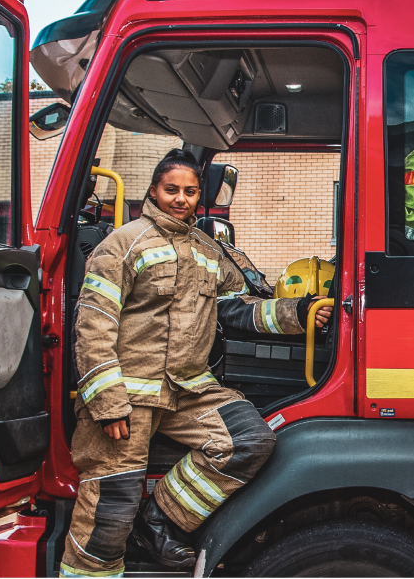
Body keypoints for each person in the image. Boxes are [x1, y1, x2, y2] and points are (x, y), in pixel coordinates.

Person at [61, 150, 277, 578]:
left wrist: (301, 315)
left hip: (189, 391)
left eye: (190, 191)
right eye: (172, 190)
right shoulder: (123, 244)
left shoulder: (207, 250)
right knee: (109, 512)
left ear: (200, 197)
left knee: (250, 441)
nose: (181, 199)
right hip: (128, 396)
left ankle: (158, 521)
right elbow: (93, 326)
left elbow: (238, 307)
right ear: (154, 191)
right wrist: (107, 403)